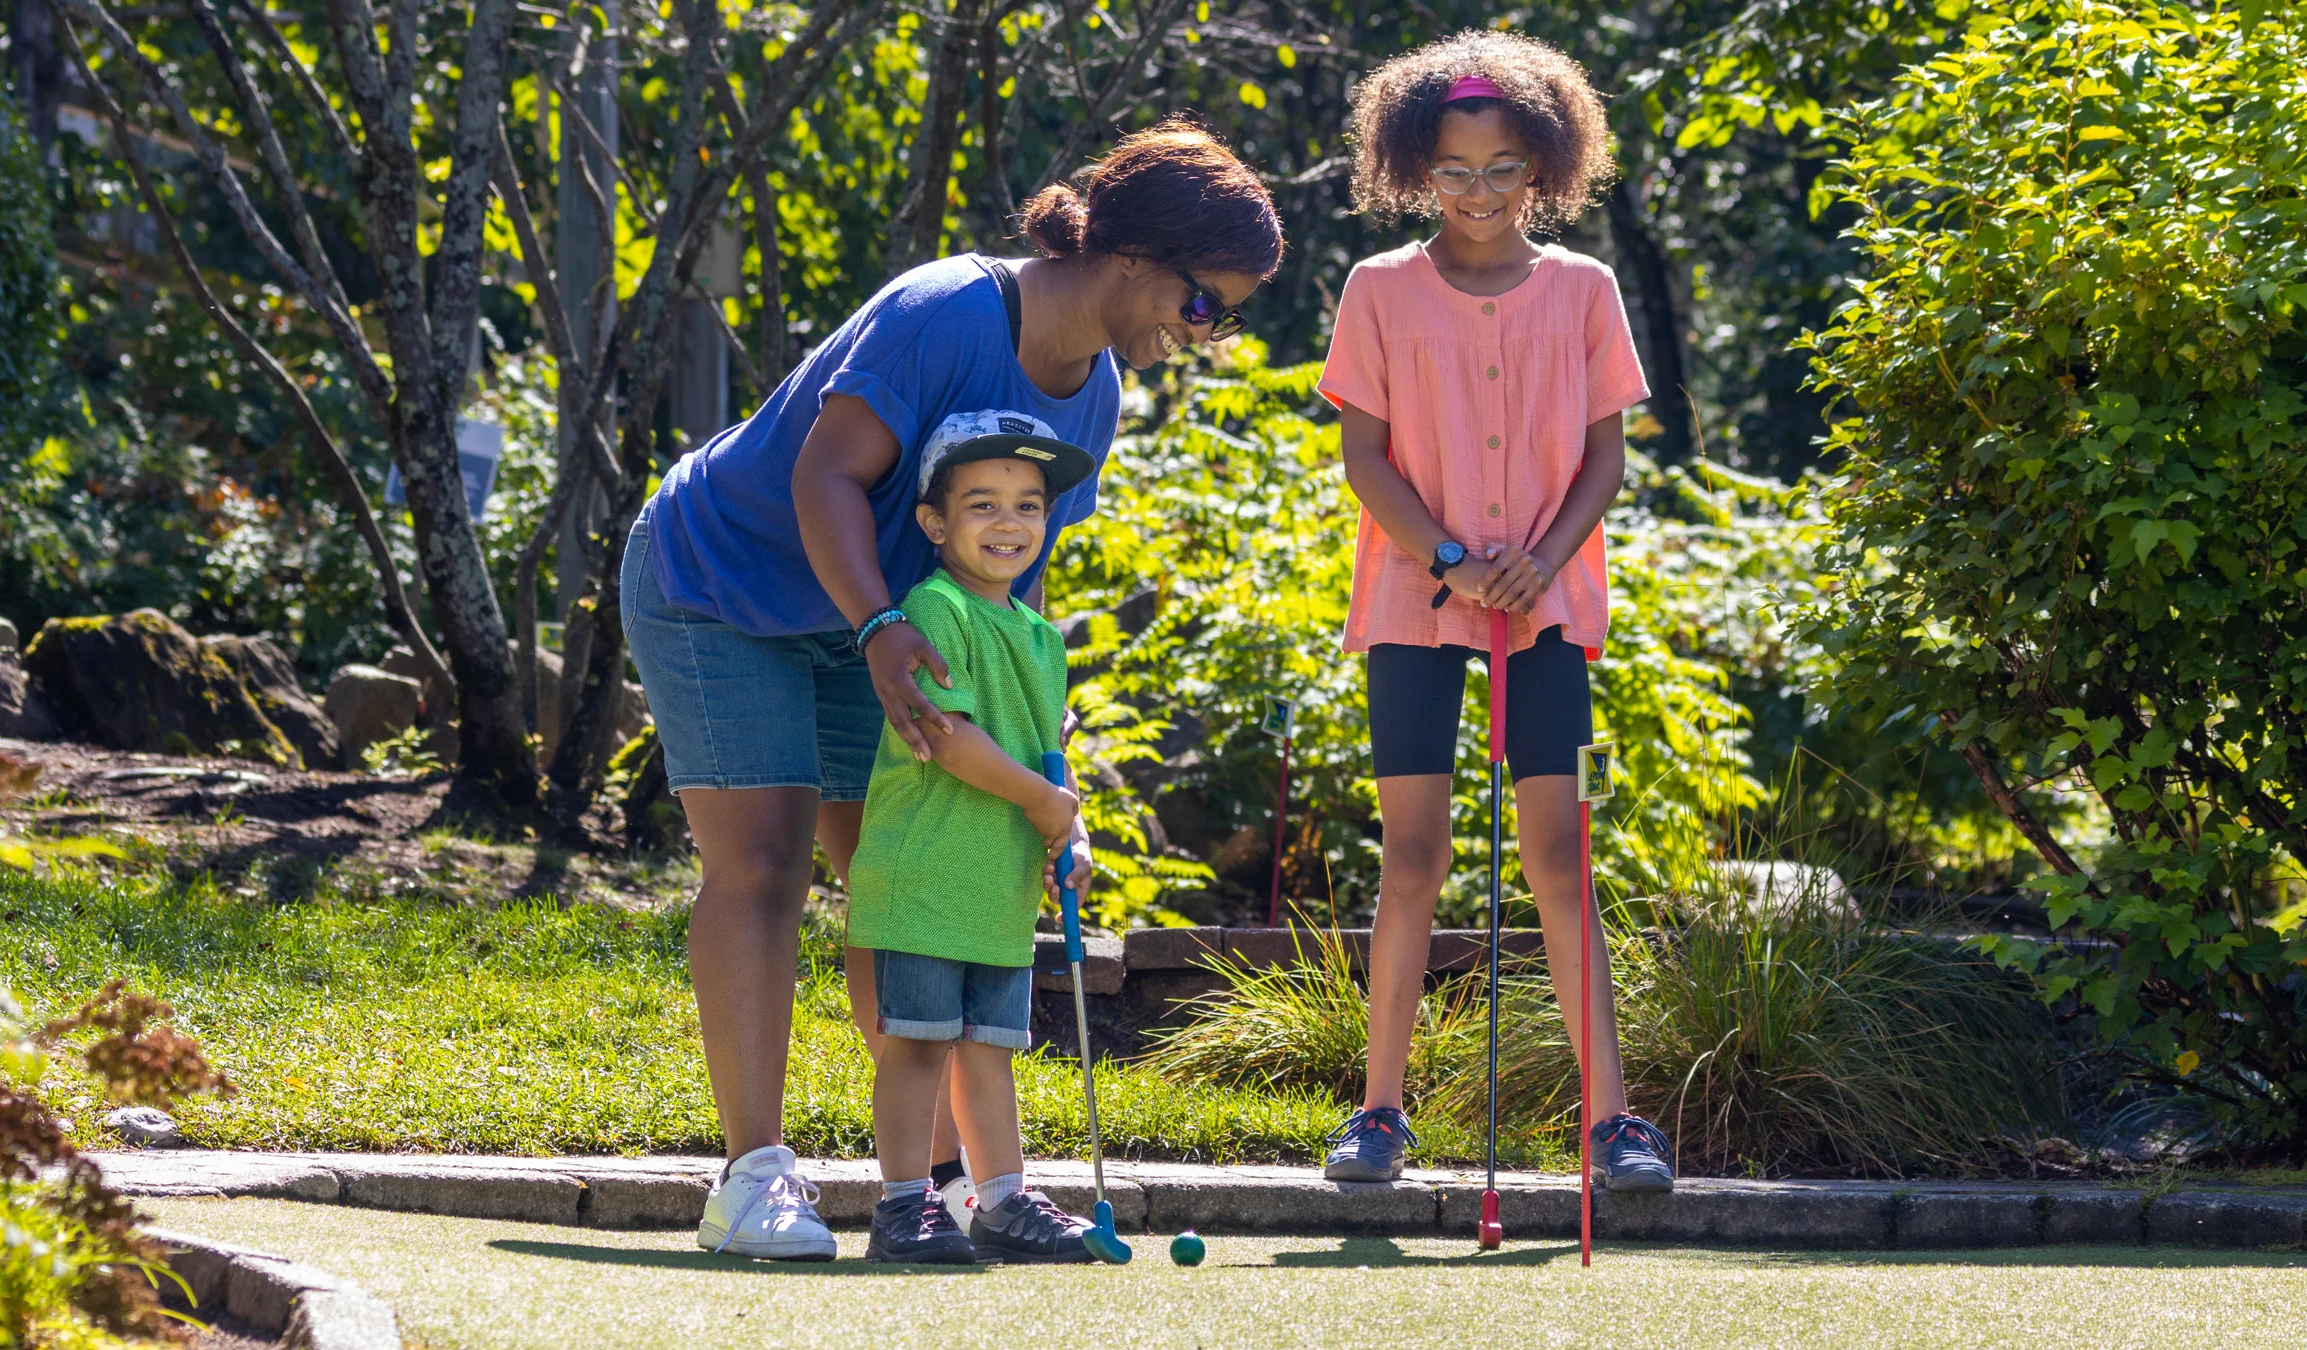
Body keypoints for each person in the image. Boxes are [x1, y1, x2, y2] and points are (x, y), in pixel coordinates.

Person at [623, 120, 1284, 1260]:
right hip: (726, 583)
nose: (1207, 335)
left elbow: (1008, 596)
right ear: (1136, 257)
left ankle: (934, 1189)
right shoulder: (946, 311)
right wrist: (878, 623)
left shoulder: (1097, 396)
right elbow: (824, 473)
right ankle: (751, 1181)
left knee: (908, 881)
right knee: (767, 861)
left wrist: (1044, 776)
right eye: (1205, 304)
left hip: (884, 624)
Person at [1313, 31, 1675, 1192]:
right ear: (1417, 171)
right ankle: (1378, 1112)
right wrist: (1455, 557)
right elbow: (1364, 459)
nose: (1479, 193)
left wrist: (1538, 562)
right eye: (1456, 172)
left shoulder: (1584, 290)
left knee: (1560, 854)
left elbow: (1606, 460)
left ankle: (1614, 1122)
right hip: (1416, 599)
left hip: (1548, 605)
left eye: (1503, 168)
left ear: (1546, 169)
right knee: (1411, 854)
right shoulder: (1378, 292)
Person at [849, 416, 1101, 1264]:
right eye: (983, 504)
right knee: (918, 1046)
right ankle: (902, 1208)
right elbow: (948, 739)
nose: (1008, 524)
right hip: (924, 874)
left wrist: (1072, 826)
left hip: (997, 884)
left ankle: (1002, 1205)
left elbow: (1049, 755)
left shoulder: (1040, 638)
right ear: (935, 522)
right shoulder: (935, 609)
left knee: (990, 1054)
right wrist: (1045, 804)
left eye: (1028, 506)